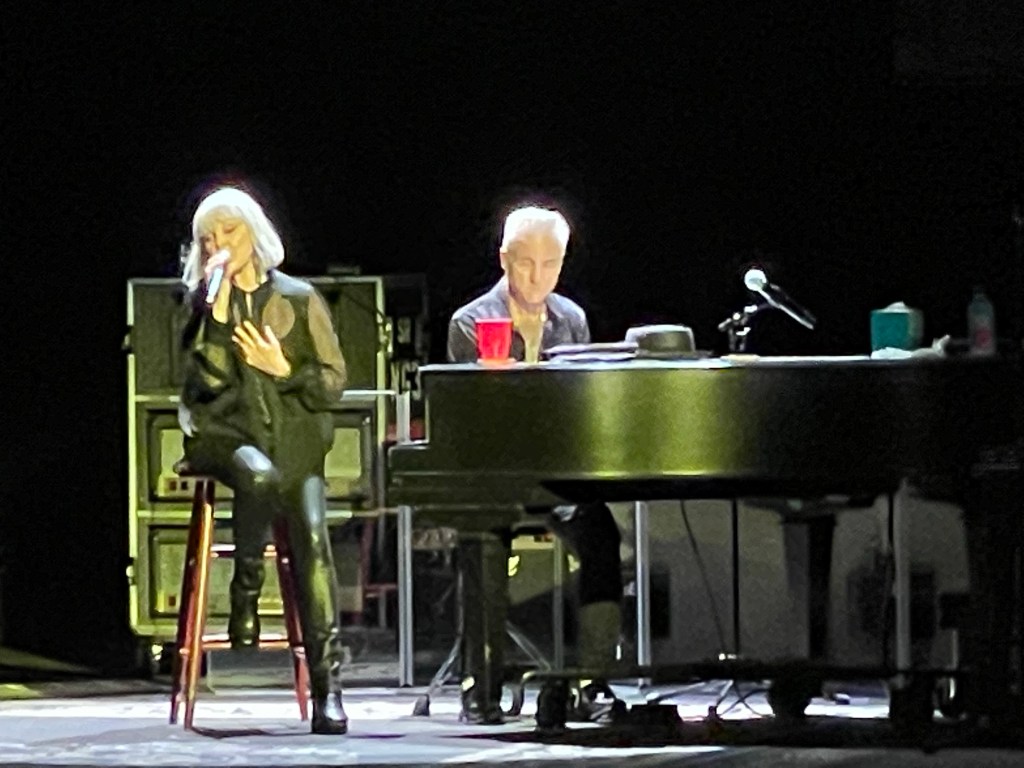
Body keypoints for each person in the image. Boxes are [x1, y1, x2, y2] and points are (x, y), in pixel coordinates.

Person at [177, 185, 349, 735]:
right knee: (256, 472)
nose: (219, 245)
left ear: (253, 232)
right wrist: (217, 313)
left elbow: (333, 385)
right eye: (208, 239)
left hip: (294, 442)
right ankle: (245, 591)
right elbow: (205, 388)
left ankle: (329, 689)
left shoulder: (298, 298)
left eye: (228, 231)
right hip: (225, 436)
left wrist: (284, 370)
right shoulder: (200, 305)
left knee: (313, 540)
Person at [447, 204, 624, 723]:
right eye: (526, 263)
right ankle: (481, 688)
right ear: (504, 259)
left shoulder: (572, 320)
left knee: (601, 534)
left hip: (556, 472)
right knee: (485, 539)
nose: (537, 276)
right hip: (493, 473)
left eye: (551, 264)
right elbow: (469, 418)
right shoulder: (470, 321)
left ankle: (593, 680)